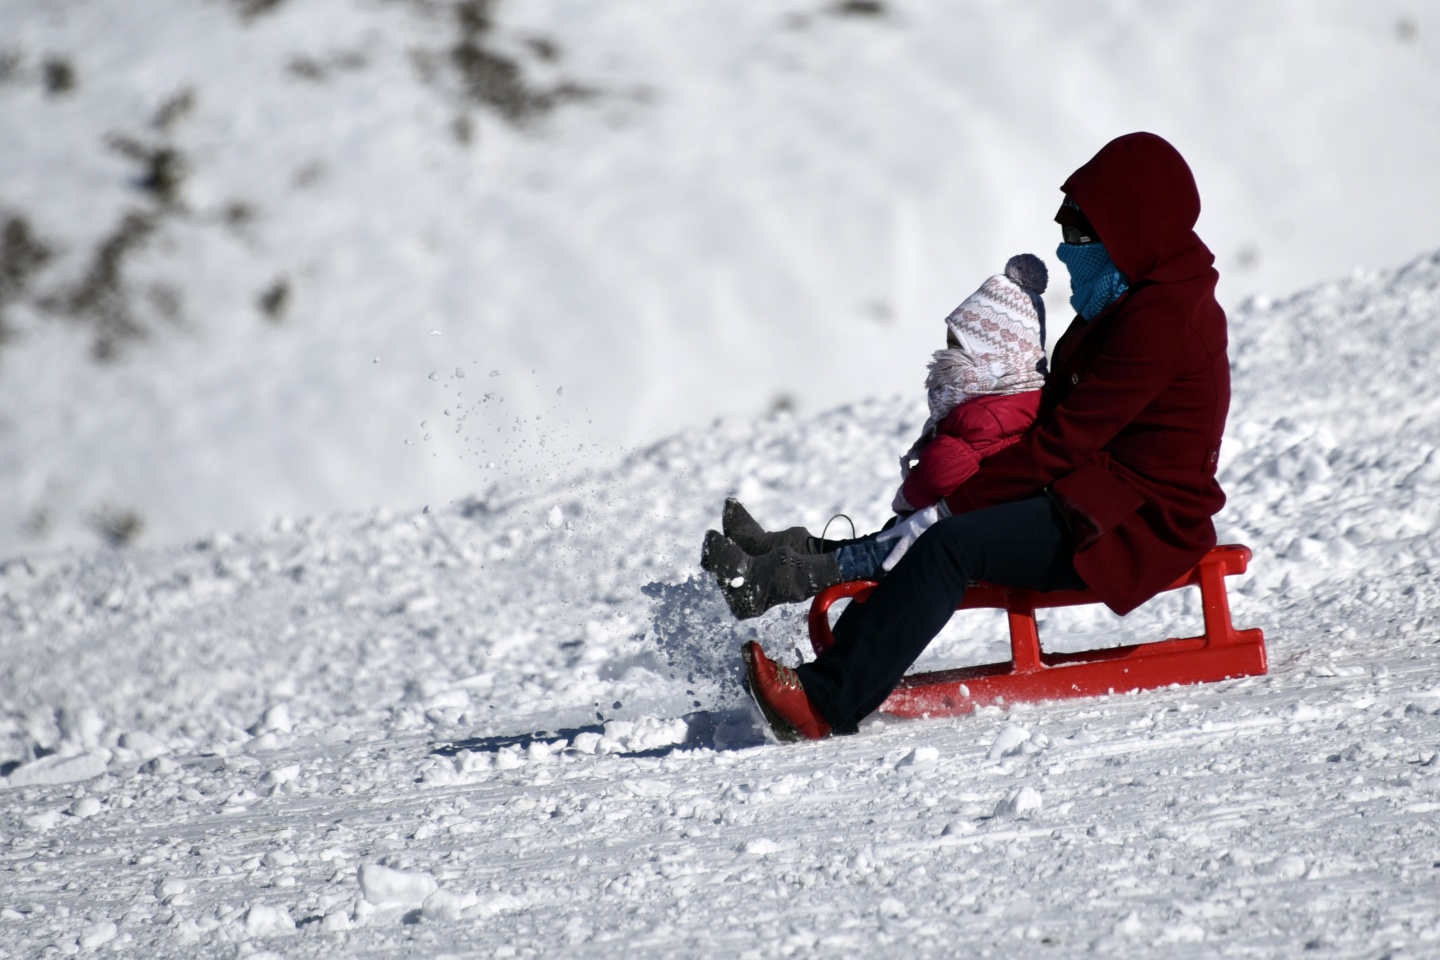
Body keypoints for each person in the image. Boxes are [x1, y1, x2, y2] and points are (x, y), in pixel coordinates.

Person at [737, 131, 1233, 741]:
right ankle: (790, 570)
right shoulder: (1129, 297)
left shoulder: (1161, 321)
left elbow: (1067, 440)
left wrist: (954, 505)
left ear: (1129, 234)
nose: (1065, 246)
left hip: (1136, 519)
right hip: (1089, 492)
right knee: (937, 523)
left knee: (951, 543)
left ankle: (824, 702)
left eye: (1081, 233)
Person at [700, 254, 1051, 620]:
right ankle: (772, 547)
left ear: (996, 356)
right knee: (862, 548)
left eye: (959, 348)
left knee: (867, 555)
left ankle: (762, 583)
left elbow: (939, 475)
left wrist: (918, 483)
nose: (949, 356)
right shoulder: (1004, 397)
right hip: (948, 523)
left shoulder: (996, 409)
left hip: (962, 538)